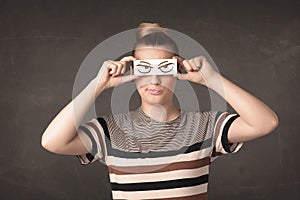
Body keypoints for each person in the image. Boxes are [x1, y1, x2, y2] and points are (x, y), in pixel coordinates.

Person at [41, 22, 279, 200]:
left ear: (178, 72)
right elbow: (52, 142)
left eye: (164, 68)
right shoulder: (110, 131)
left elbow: (265, 123)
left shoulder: (205, 127)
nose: (154, 80)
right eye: (144, 69)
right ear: (131, 73)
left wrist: (212, 79)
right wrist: (97, 85)